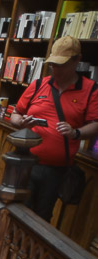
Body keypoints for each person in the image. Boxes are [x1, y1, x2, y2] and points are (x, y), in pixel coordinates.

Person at [10, 36, 98, 222]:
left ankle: (30, 251)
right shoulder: (38, 85)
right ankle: (11, 250)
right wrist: (21, 122)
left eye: (61, 65)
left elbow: (95, 124)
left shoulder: (90, 90)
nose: (56, 69)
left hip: (56, 170)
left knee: (42, 217)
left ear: (77, 60)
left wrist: (76, 132)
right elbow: (14, 114)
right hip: (26, 162)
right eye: (53, 65)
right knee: (17, 211)